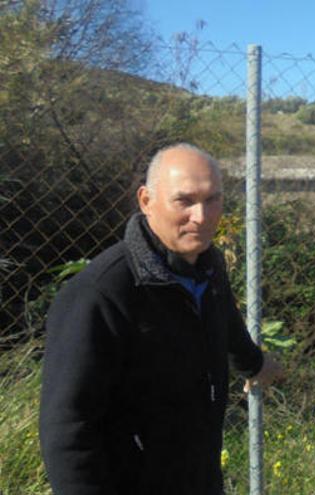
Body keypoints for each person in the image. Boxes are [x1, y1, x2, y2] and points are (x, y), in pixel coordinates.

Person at [39, 143, 282, 494]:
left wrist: (254, 363)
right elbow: (67, 429)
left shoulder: (207, 266)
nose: (202, 216)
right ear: (146, 201)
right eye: (184, 201)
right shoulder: (101, 293)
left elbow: (224, 320)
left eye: (212, 199)